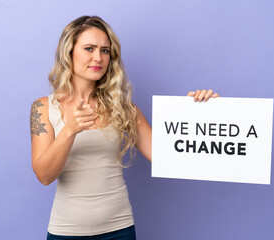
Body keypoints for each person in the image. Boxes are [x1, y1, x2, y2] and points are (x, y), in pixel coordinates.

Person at [30, 16, 219, 240]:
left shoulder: (123, 108)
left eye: (105, 51)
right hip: (66, 231)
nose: (98, 58)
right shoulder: (43, 107)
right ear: (69, 52)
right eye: (89, 48)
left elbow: (169, 158)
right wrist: (69, 130)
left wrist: (201, 114)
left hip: (119, 230)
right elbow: (44, 175)